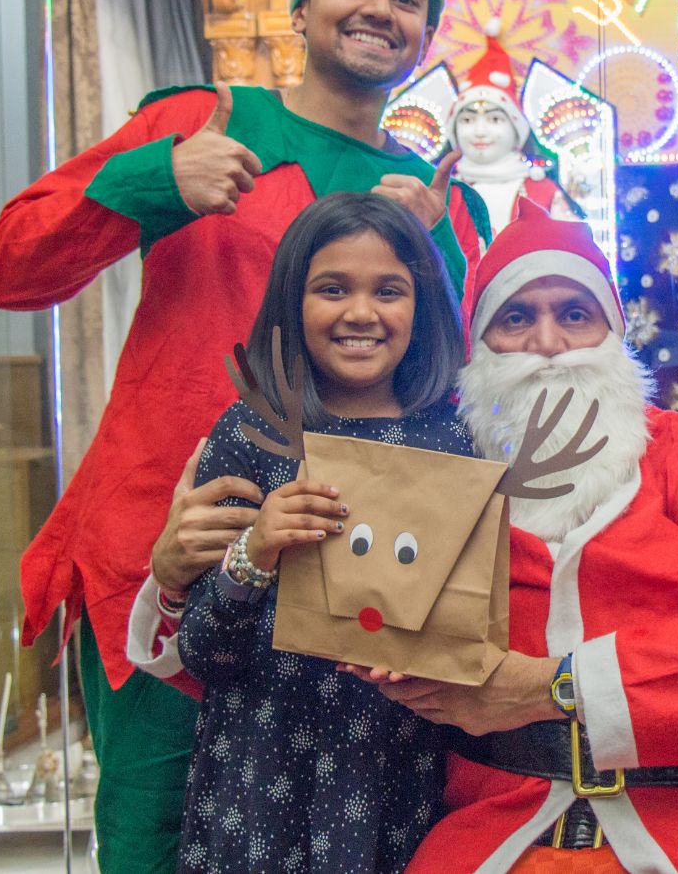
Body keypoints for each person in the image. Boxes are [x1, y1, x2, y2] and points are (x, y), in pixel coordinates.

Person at [0, 0, 524, 872]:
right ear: (304, 4)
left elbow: (452, 393)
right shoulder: (204, 119)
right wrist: (155, 179)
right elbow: (12, 267)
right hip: (171, 557)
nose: (378, 8)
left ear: (427, 29)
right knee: (150, 840)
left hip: (356, 598)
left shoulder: (425, 198)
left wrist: (443, 251)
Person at [350, 199, 678, 874]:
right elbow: (320, 641)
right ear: (475, 348)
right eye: (515, 318)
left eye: (575, 314)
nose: (548, 343)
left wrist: (556, 686)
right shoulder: (441, 489)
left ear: (613, 334)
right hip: (501, 834)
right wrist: (219, 567)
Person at [172, 192, 474, 874]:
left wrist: (433, 650)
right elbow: (200, 653)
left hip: (399, 768)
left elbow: (477, 630)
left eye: (389, 290)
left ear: (422, 307)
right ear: (291, 301)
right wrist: (254, 552)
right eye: (332, 288)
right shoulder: (252, 435)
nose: (360, 312)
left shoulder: (456, 442)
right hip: (258, 771)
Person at [446, 21, 580, 231]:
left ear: (517, 130)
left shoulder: (541, 191)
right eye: (468, 120)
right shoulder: (444, 194)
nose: (480, 132)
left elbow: (572, 252)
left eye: (495, 119)